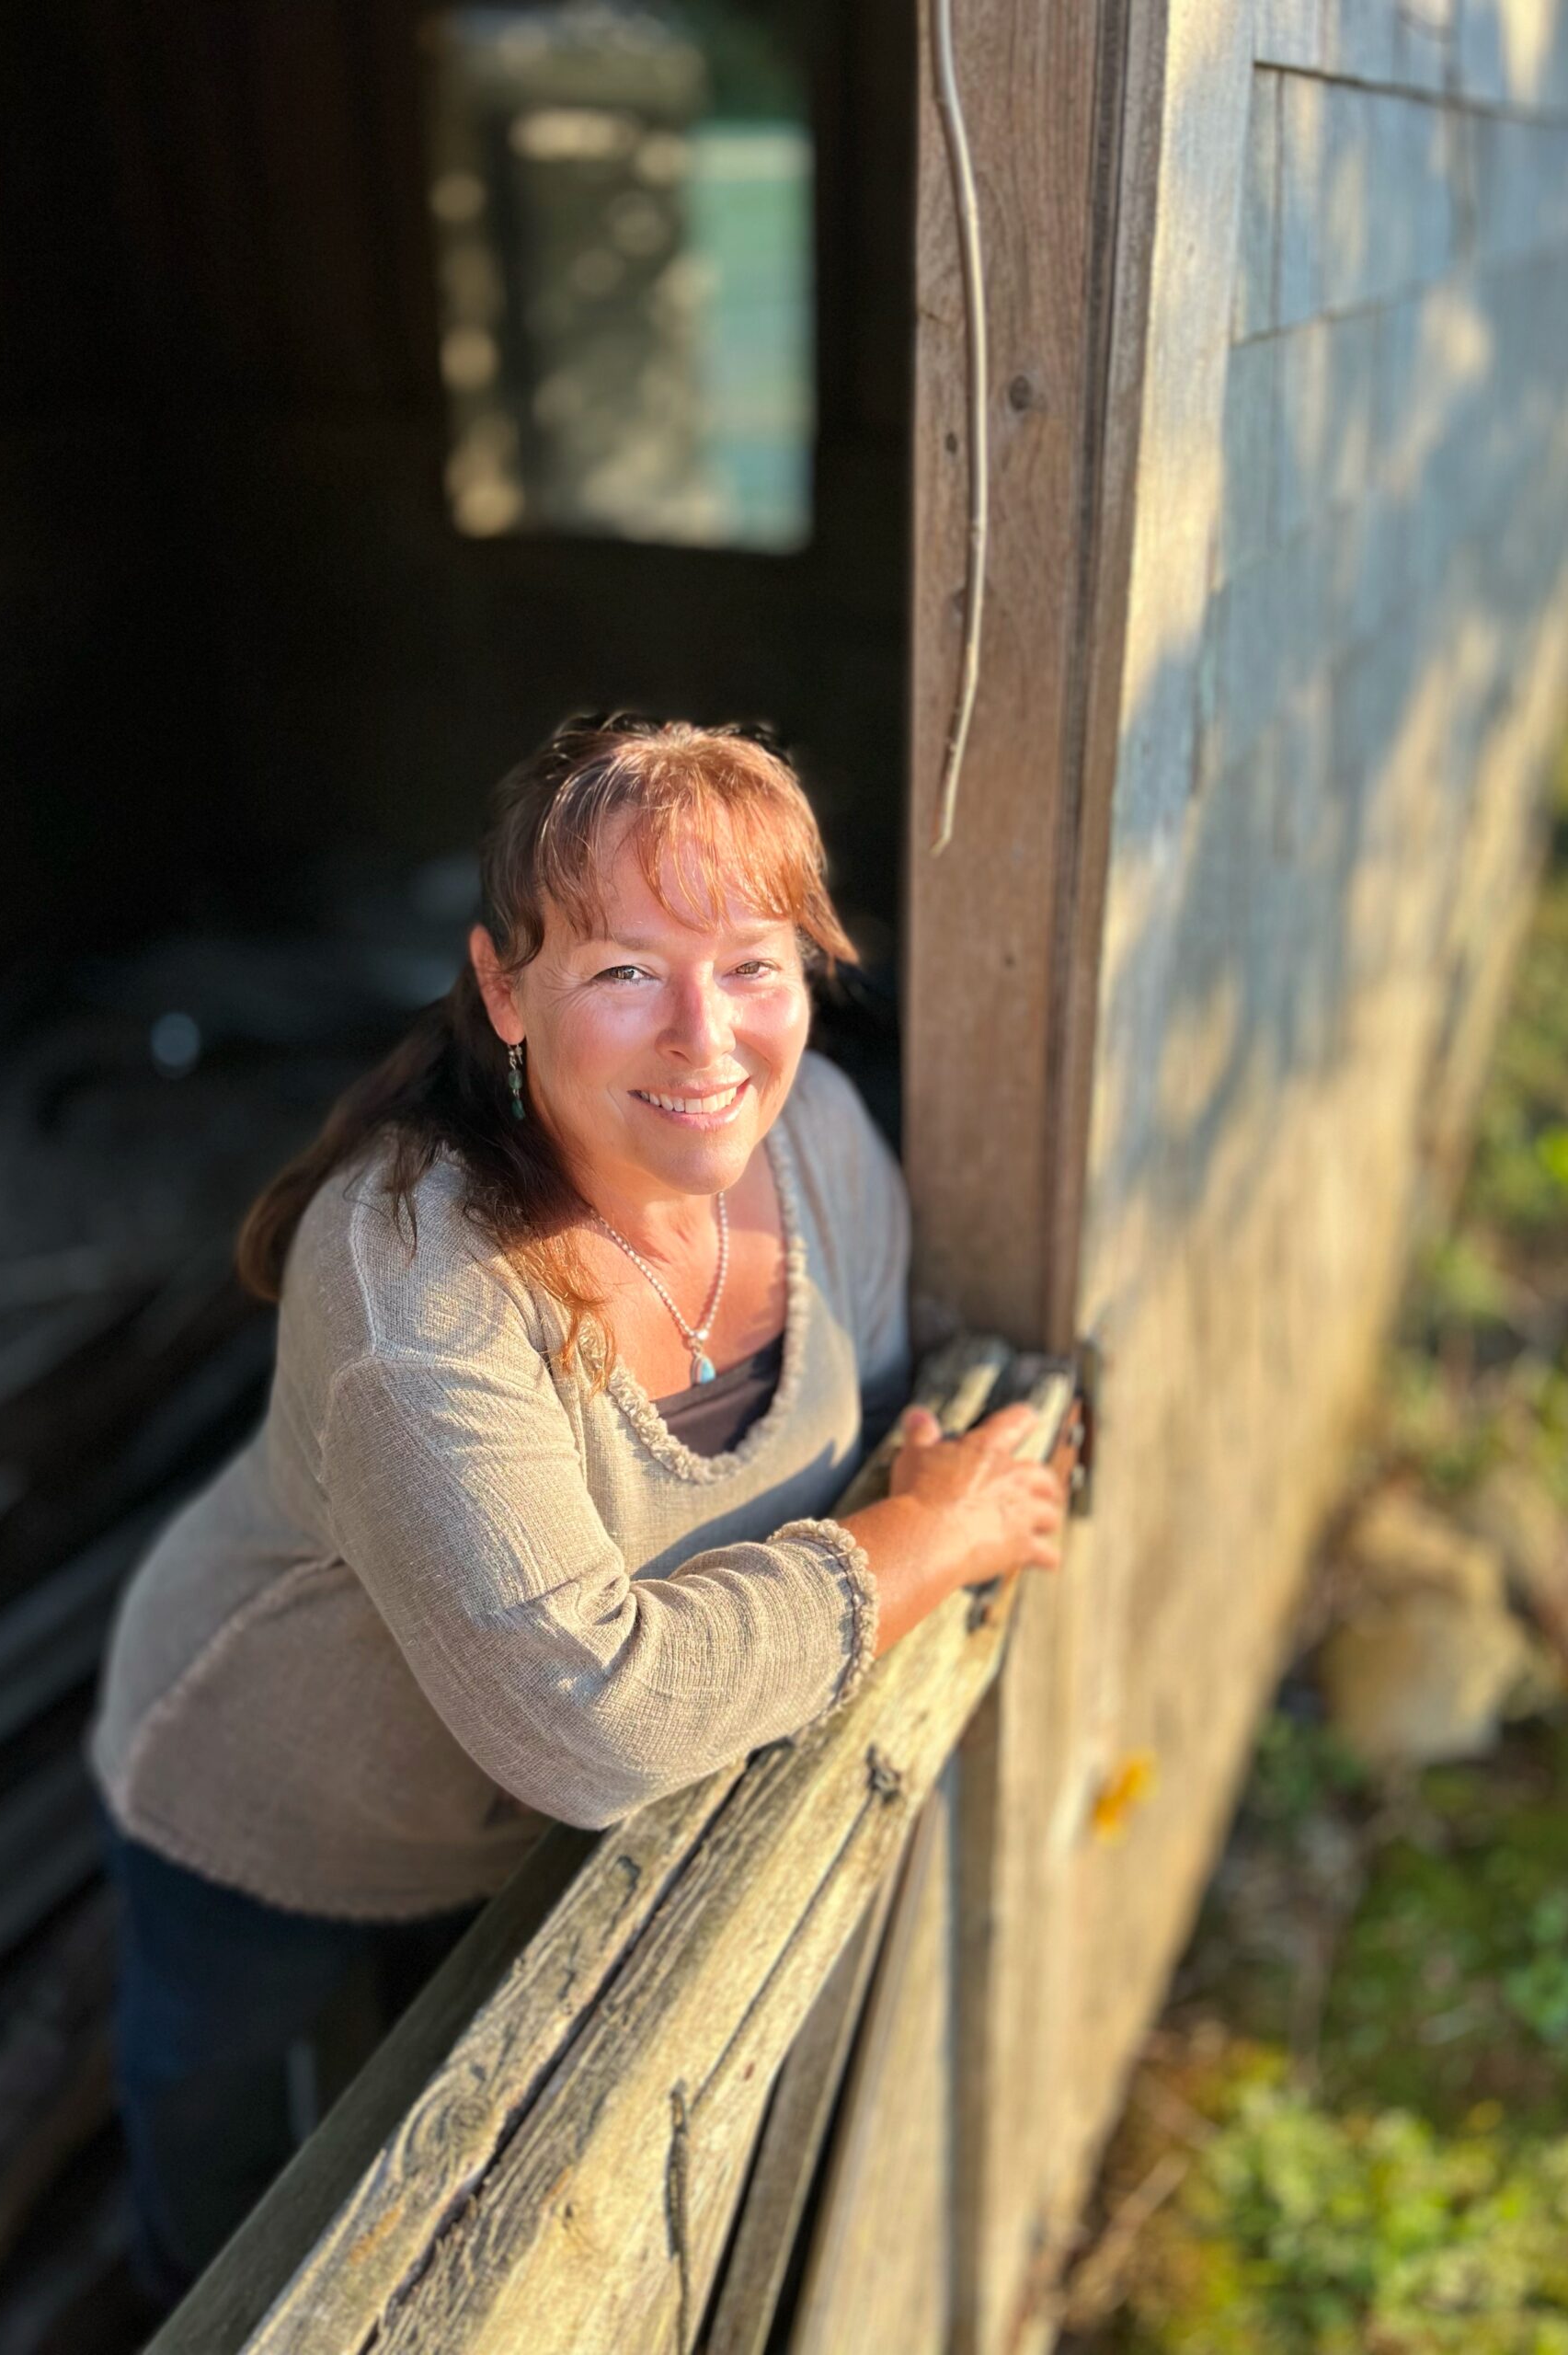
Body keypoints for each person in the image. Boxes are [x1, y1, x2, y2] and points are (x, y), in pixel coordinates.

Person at [86, 709, 1070, 2308]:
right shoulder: (416, 1288)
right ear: (504, 990)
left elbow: (877, 1420)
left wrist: (909, 1509)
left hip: (511, 1840)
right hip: (277, 1800)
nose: (706, 1039)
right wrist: (926, 1541)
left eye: (754, 964)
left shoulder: (815, 1138)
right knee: (244, 2232)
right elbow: (589, 1724)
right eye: (624, 970)